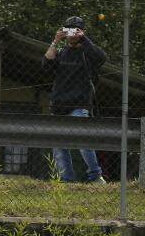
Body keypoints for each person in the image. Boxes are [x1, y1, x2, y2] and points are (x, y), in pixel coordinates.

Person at [42, 15, 107, 183]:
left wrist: (83, 38)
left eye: (75, 30)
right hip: (59, 105)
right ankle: (66, 179)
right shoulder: (62, 52)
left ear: (82, 31)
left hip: (79, 104)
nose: (71, 33)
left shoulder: (87, 52)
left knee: (83, 141)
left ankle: (95, 176)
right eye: (68, 30)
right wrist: (55, 41)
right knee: (59, 144)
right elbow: (46, 65)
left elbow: (101, 58)